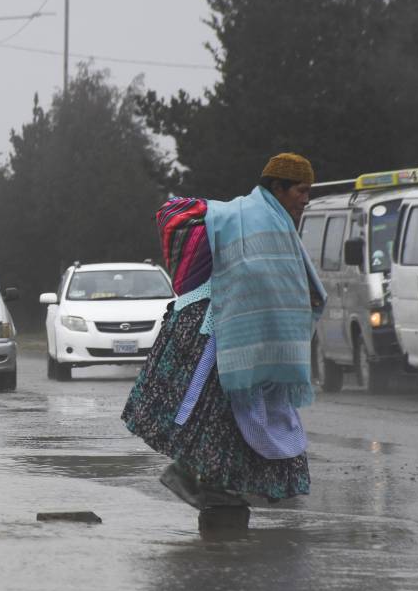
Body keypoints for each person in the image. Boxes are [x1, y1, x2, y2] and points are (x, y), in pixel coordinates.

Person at [122, 152, 325, 514]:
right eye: (301, 190)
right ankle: (198, 483)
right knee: (219, 416)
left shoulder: (271, 220)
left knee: (230, 418)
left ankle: (215, 491)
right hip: (220, 335)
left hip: (228, 333)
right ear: (278, 187)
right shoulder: (259, 219)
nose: (305, 199)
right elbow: (253, 278)